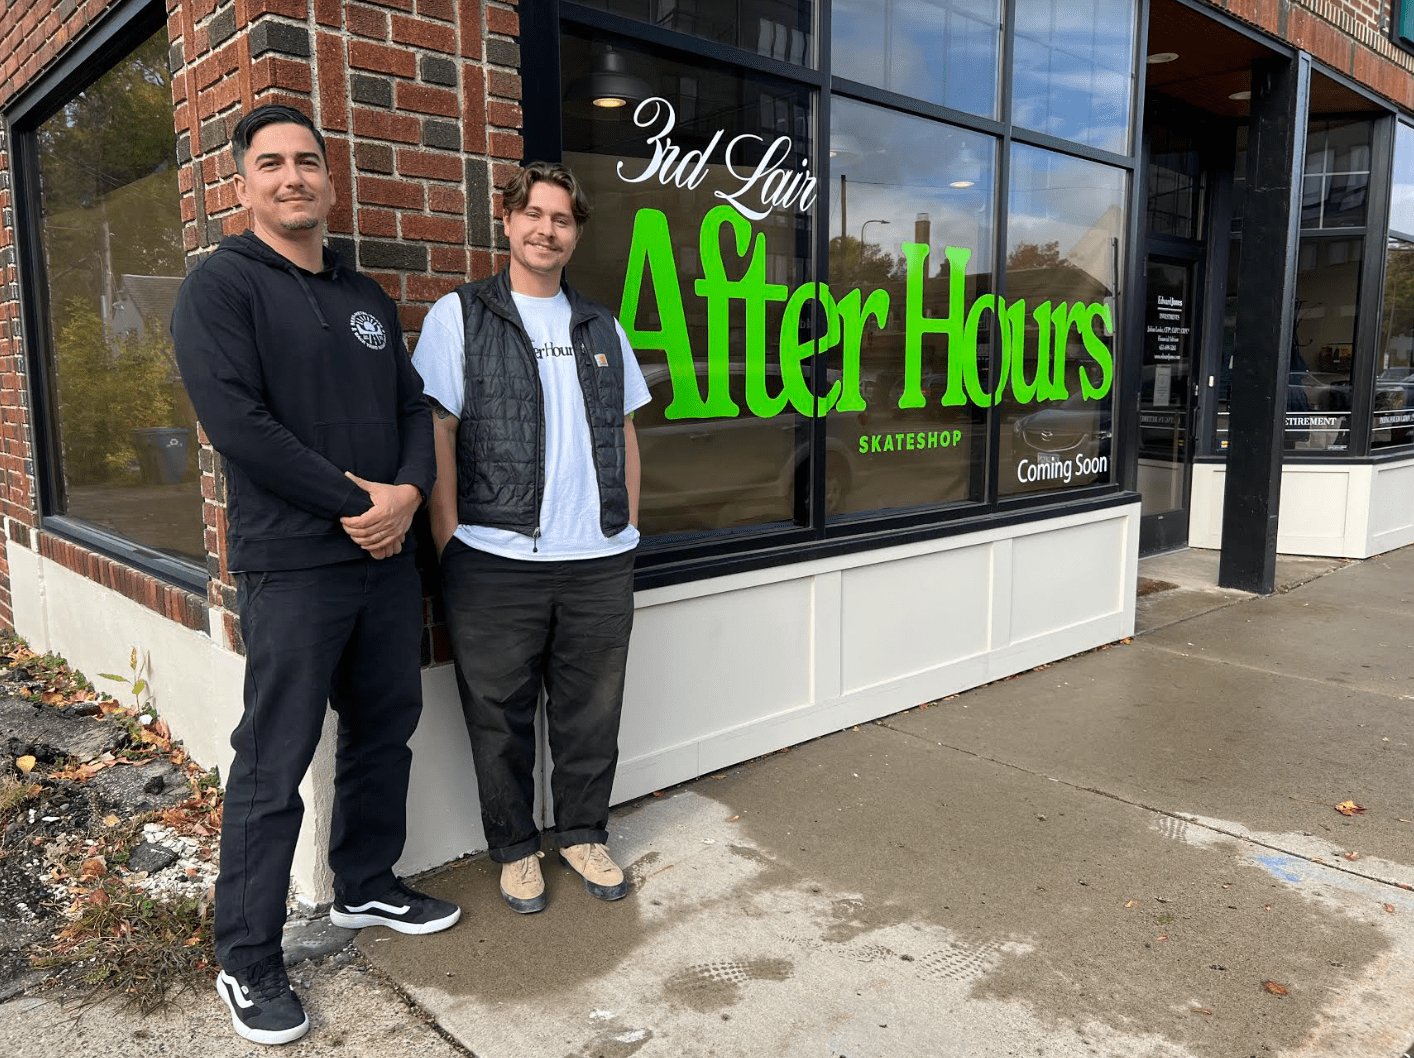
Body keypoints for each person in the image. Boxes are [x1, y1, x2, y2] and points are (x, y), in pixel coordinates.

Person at [172, 104, 460, 1047]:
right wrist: (357, 501)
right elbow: (239, 425)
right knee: (275, 760)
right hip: (294, 566)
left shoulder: (365, 296)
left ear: (330, 180)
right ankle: (246, 957)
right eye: (271, 164)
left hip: (383, 563)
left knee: (386, 730)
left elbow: (414, 406)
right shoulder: (220, 288)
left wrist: (410, 494)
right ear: (242, 183)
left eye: (307, 162)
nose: (292, 177)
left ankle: (367, 887)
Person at [412, 161, 649, 916]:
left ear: (576, 234)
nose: (547, 229)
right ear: (508, 222)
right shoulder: (462, 315)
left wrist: (625, 528)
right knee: (498, 716)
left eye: (563, 219)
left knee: (591, 713)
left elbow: (625, 430)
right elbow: (438, 430)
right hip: (496, 560)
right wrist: (450, 540)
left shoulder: (600, 326)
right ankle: (515, 849)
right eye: (534, 215)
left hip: (598, 561)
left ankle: (583, 833)